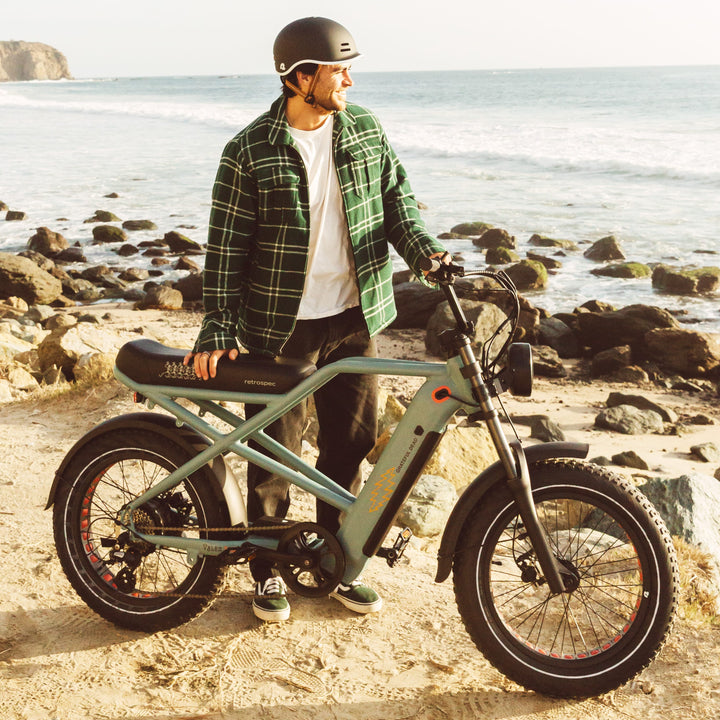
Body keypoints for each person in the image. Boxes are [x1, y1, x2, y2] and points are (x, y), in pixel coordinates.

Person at [184, 16, 448, 622]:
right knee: (276, 452)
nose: (349, 80)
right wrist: (218, 325)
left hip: (354, 317)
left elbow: (397, 204)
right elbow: (226, 248)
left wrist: (428, 257)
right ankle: (269, 568)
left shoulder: (364, 129)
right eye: (338, 70)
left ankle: (332, 559)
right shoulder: (248, 151)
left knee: (349, 444)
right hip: (281, 326)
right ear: (301, 77)